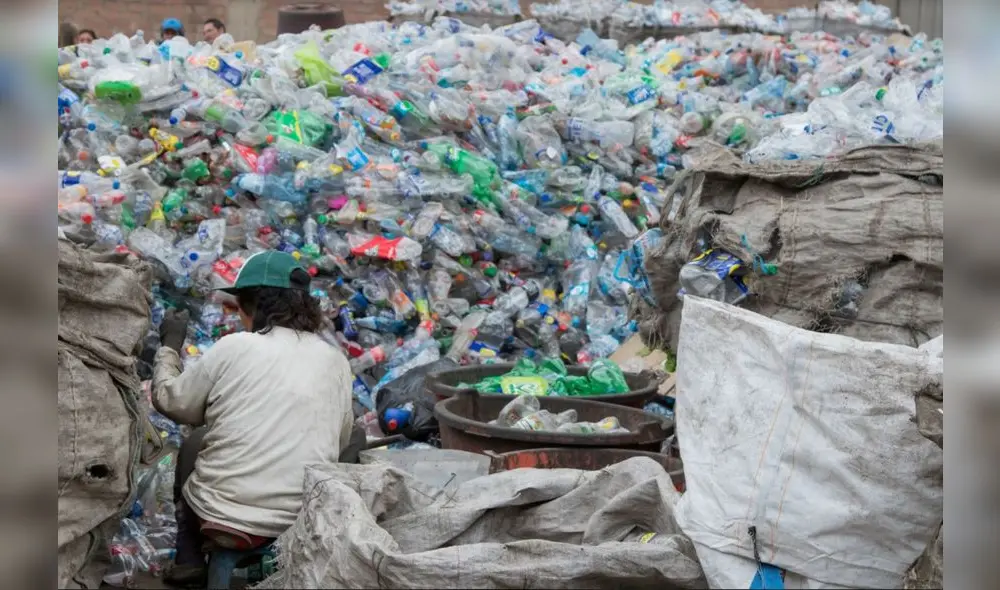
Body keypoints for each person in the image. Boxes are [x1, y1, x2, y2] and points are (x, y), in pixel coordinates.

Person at [152, 251, 359, 586]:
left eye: (239, 307)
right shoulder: (335, 360)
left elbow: (172, 402)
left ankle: (189, 557)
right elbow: (340, 440)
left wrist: (170, 346)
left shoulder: (234, 347)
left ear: (254, 305)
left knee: (193, 444)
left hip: (224, 515)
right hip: (302, 515)